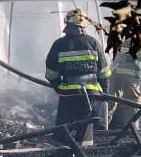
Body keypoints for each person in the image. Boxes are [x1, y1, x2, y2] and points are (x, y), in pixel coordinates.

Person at [45, 9, 110, 147]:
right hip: (91, 93)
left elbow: (51, 73)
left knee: (63, 129)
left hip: (68, 93)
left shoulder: (58, 45)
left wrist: (59, 88)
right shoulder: (93, 43)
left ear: (67, 26)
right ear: (83, 27)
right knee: (85, 132)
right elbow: (103, 72)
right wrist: (104, 91)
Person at [107, 18, 141, 129]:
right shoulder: (140, 36)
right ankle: (133, 129)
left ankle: (103, 126)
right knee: (133, 102)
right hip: (129, 74)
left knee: (111, 101)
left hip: (114, 73)